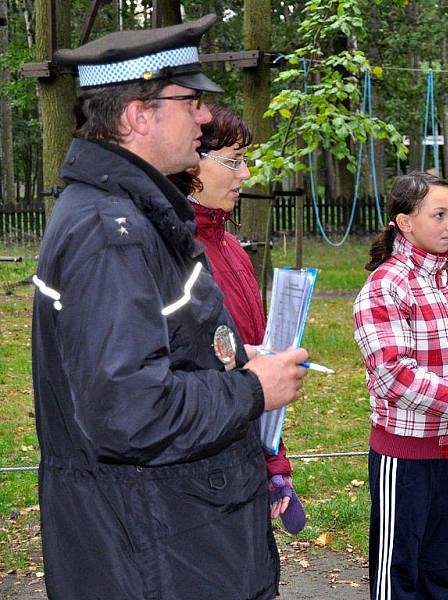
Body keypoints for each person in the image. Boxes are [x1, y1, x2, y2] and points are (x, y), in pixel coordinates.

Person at [31, 15, 308, 600]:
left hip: (171, 538)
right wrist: (251, 390)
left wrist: (234, 363)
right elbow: (128, 410)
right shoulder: (111, 232)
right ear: (138, 115)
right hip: (154, 555)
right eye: (190, 101)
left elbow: (148, 357)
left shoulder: (133, 215)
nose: (204, 116)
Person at [353, 171, 448, 600]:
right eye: (439, 215)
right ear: (405, 222)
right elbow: (394, 374)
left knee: (441, 572)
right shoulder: (384, 287)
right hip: (404, 459)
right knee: (399, 576)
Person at [170, 103, 305, 534]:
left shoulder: (230, 248)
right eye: (234, 161)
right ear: (193, 162)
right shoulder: (170, 255)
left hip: (244, 460)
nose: (245, 174)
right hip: (198, 479)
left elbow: (253, 366)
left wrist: (273, 461)